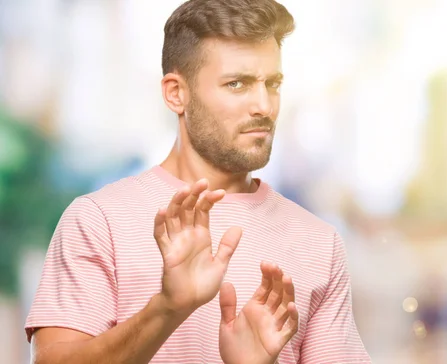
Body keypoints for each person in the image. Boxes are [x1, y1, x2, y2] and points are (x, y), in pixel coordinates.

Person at [25, 0, 371, 363]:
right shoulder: (98, 221)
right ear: (176, 93)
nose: (264, 106)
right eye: (237, 84)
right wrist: (168, 308)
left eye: (273, 83)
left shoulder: (319, 243)